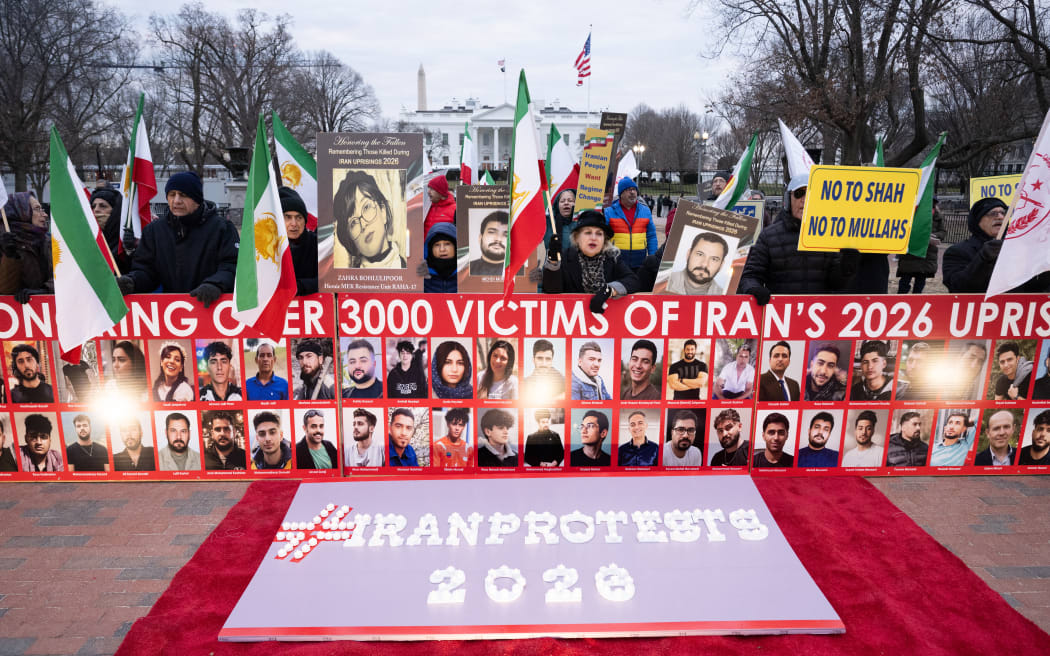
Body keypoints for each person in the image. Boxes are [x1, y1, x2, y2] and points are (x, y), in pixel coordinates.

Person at [117, 171, 238, 306]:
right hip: (171, 311)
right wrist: (132, 282)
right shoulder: (154, 231)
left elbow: (232, 266)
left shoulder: (222, 228)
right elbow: (146, 271)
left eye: (183, 195)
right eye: (171, 195)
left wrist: (215, 284)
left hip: (211, 307)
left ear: (197, 199)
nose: (176, 201)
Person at [737, 173, 858, 304]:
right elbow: (751, 275)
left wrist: (847, 267)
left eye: (810, 194)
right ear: (788, 200)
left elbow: (837, 285)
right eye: (799, 193)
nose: (805, 200)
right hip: (781, 315)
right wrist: (754, 288)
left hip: (820, 315)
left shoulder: (831, 236)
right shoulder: (768, 236)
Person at [943, 197, 1050, 293]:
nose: (1000, 217)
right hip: (979, 312)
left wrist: (1045, 270)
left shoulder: (1019, 249)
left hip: (1016, 311)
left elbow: (1032, 289)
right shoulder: (957, 252)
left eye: (1003, 213)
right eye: (992, 213)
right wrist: (983, 259)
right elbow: (958, 288)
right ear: (977, 221)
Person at [542, 210, 641, 313]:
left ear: (604, 239)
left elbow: (633, 281)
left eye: (599, 234)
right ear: (577, 237)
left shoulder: (612, 258)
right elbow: (551, 290)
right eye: (588, 233)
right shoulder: (566, 257)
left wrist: (610, 290)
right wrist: (553, 261)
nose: (593, 238)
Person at [333, 170, 406, 269]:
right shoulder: (348, 282)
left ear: (383, 211)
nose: (363, 225)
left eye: (366, 207)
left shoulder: (410, 270)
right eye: (353, 223)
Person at [0, 191, 53, 304]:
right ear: (21, 212)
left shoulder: (48, 242)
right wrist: (10, 257)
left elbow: (63, 275)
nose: (45, 214)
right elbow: (5, 291)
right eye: (37, 209)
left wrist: (44, 291)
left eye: (42, 209)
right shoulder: (4, 244)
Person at [603, 177, 656, 270]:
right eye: (628, 190)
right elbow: (603, 236)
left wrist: (652, 257)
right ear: (621, 194)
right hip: (616, 263)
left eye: (634, 189)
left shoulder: (645, 210)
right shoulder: (609, 212)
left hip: (640, 263)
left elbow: (651, 236)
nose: (632, 192)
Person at [279, 186, 318, 296]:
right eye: (288, 217)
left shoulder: (316, 244)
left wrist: (299, 287)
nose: (294, 223)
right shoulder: (266, 246)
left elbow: (326, 279)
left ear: (305, 221)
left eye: (299, 217)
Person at [89, 186, 135, 272]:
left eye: (103, 206)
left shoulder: (124, 238)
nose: (96, 210)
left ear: (115, 211)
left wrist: (130, 251)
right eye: (93, 206)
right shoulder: (88, 236)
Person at [422, 222, 457, 293]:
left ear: (456, 247)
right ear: (430, 249)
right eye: (437, 245)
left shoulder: (467, 276)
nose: (442, 249)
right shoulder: (419, 278)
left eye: (447, 244)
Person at [469, 211, 508, 276]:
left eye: (506, 235)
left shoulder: (523, 273)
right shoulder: (464, 271)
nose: (498, 239)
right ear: (480, 238)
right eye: (492, 232)